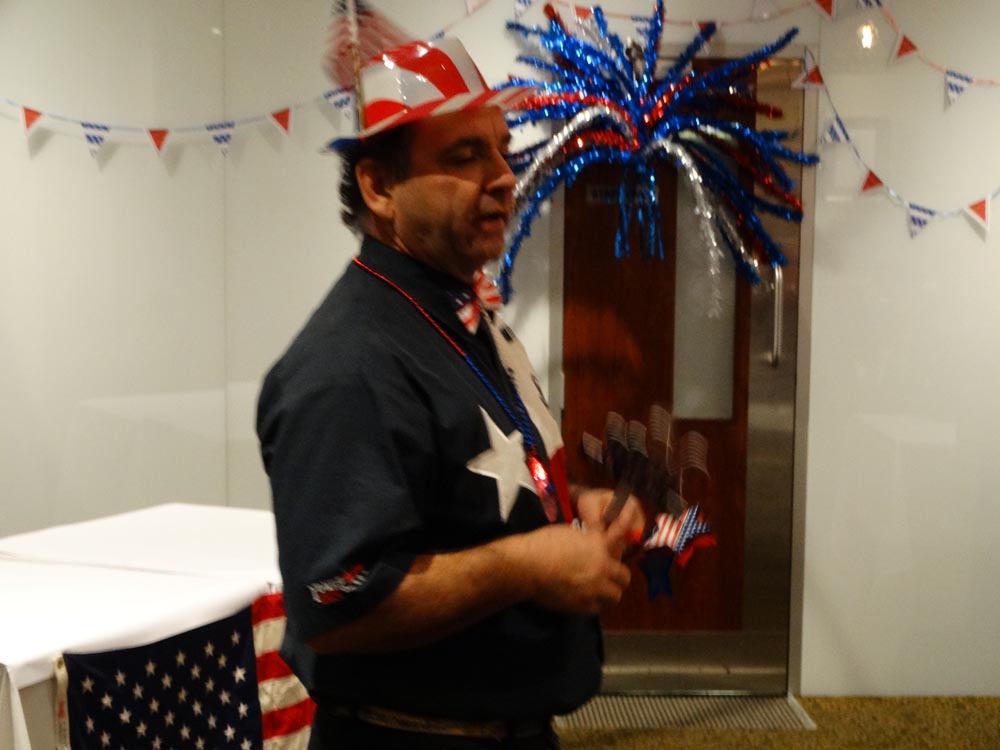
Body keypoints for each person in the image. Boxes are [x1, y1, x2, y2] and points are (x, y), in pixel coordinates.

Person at [256, 37, 643, 750]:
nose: (503, 176)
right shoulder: (350, 365)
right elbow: (336, 604)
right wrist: (528, 564)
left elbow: (459, 488)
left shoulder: (455, 319)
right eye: (464, 157)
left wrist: (570, 506)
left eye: (502, 150)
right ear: (379, 189)